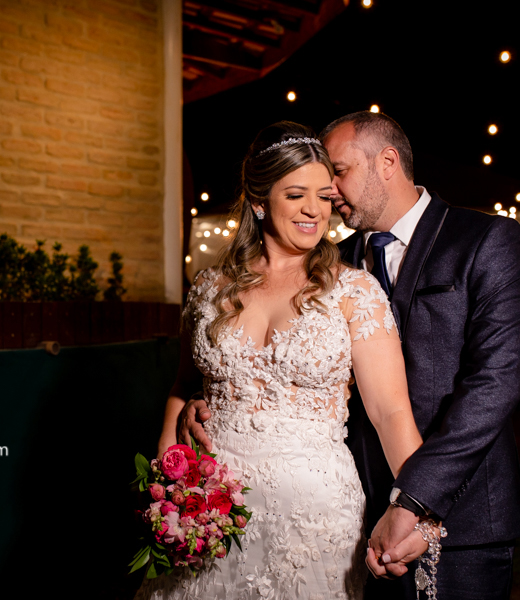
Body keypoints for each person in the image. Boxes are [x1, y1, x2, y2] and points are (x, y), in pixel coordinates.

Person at [181, 112, 520, 600]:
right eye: (309, 189)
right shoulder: (330, 263)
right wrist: (203, 406)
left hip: (463, 511)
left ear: (387, 162)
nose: (327, 197)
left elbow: (495, 383)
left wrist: (415, 502)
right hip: (357, 510)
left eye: (335, 176)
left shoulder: (483, 240)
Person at [139, 121, 429, 600]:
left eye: (323, 195)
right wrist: (166, 482)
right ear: (259, 201)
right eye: (296, 195)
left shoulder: (353, 292)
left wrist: (418, 505)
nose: (314, 210)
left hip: (313, 514)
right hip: (209, 504)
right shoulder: (211, 287)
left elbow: (391, 412)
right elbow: (182, 385)